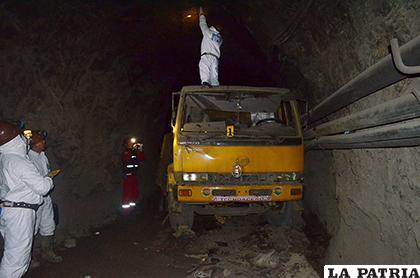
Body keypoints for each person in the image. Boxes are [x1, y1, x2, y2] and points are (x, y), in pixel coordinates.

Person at [0, 120, 54, 277]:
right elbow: (42, 187)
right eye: (19, 134)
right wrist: (49, 180)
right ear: (14, 138)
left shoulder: (5, 159)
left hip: (9, 209)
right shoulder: (19, 161)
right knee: (16, 259)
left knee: (13, 253)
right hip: (20, 212)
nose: (24, 137)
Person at [28, 131, 62, 264]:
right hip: (34, 198)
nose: (43, 143)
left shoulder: (42, 155)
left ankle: (47, 251)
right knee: (31, 227)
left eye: (43, 140)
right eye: (40, 141)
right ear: (33, 144)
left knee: (48, 224)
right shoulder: (28, 158)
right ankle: (28, 258)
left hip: (46, 197)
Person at [198, 6, 223, 87]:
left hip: (207, 56)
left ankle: (205, 82)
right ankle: (215, 86)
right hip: (215, 58)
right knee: (214, 76)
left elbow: (202, 23)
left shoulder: (207, 32)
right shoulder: (220, 39)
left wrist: (201, 13)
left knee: (204, 66)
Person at [121, 137, 144, 210]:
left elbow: (141, 158)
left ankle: (133, 207)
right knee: (128, 191)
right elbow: (126, 158)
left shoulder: (134, 152)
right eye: (130, 143)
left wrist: (140, 150)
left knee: (134, 190)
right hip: (127, 175)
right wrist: (133, 150)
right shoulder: (126, 152)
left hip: (134, 174)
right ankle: (126, 209)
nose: (132, 144)